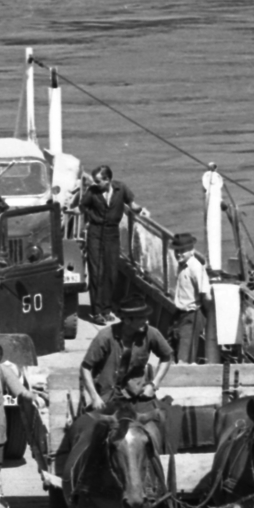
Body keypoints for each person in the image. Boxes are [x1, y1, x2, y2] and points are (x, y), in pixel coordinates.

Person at [79, 301, 172, 412]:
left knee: (158, 421)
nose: (146, 321)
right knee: (94, 426)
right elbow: (85, 368)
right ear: (127, 320)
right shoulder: (105, 337)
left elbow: (166, 356)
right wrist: (95, 398)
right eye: (141, 318)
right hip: (107, 396)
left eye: (146, 317)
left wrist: (153, 384)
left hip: (136, 394)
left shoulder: (151, 333)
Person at [79, 165, 142, 322]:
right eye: (95, 181)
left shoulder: (121, 189)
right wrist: (90, 217)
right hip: (95, 232)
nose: (96, 183)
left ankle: (106, 309)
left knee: (111, 272)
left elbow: (132, 204)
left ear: (108, 180)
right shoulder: (92, 192)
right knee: (96, 272)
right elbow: (83, 206)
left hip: (112, 233)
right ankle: (96, 312)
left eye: (98, 181)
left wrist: (139, 210)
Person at [169, 231, 213, 363]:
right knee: (170, 344)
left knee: (185, 351)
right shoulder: (182, 265)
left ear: (191, 250)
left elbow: (205, 294)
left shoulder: (195, 268)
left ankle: (182, 371)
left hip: (192, 313)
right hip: (180, 313)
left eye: (182, 251)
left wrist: (207, 315)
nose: (178, 254)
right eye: (176, 251)